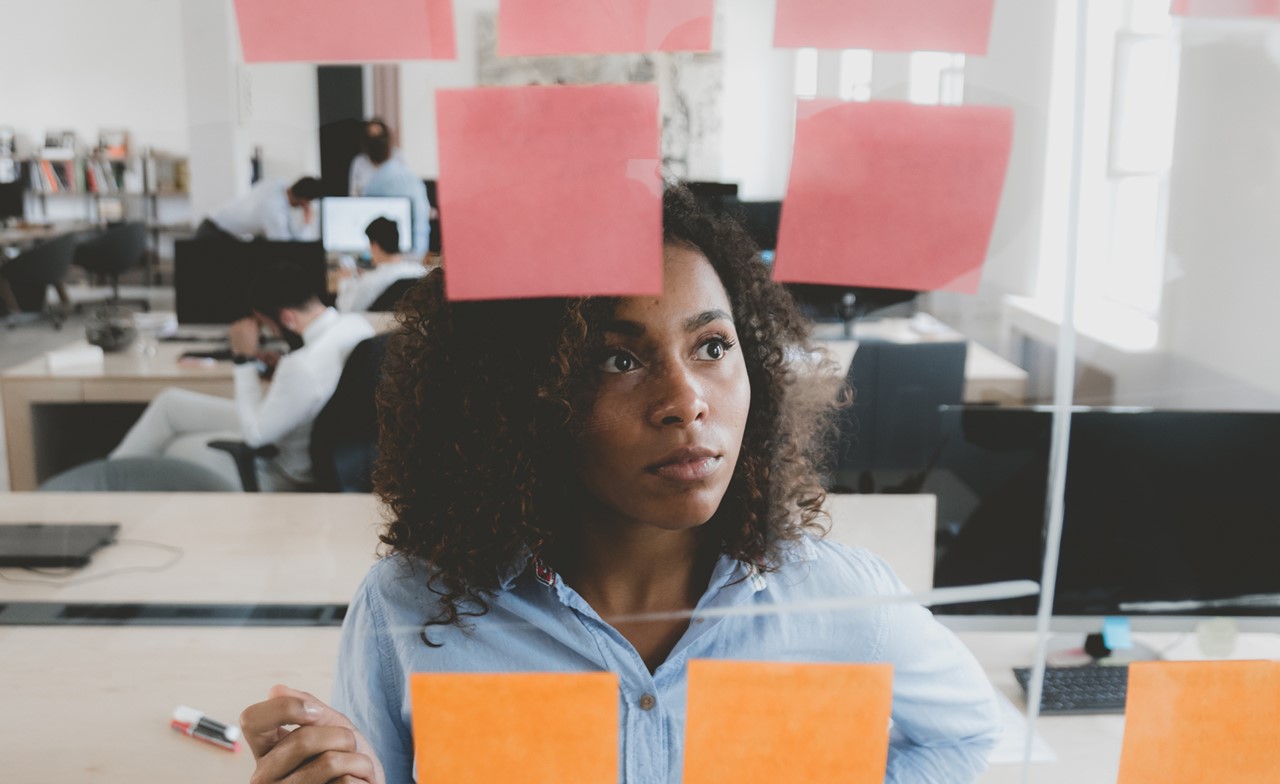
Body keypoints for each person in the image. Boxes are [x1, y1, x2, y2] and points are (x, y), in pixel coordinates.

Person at [239, 187, 1000, 782]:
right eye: (618, 360)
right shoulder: (411, 610)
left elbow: (969, 729)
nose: (686, 401)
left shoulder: (842, 606)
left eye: (710, 345)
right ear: (522, 398)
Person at [110, 262, 374, 490]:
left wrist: (244, 360)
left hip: (284, 472)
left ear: (287, 318)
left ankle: (107, 485)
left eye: (271, 326)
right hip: (319, 443)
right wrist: (278, 368)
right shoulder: (355, 326)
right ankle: (106, 478)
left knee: (175, 448)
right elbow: (315, 386)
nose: (273, 334)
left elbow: (255, 434)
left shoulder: (301, 367)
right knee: (170, 404)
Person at [335, 217, 427, 313]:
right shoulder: (419, 271)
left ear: (375, 246)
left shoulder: (370, 281)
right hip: (411, 325)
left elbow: (345, 311)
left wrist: (346, 281)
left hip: (380, 327)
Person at [362, 130, 430, 258]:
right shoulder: (413, 178)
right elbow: (423, 216)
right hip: (417, 255)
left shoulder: (373, 186)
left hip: (389, 258)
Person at [196, 176, 324, 242]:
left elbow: (289, 232)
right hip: (213, 235)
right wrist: (307, 223)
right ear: (304, 201)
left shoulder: (277, 184)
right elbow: (286, 247)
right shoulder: (274, 211)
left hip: (217, 229)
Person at [347, 119, 407, 197]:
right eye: (372, 135)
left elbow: (406, 186)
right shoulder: (359, 161)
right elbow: (353, 194)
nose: (376, 141)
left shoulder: (397, 156)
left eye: (378, 135)